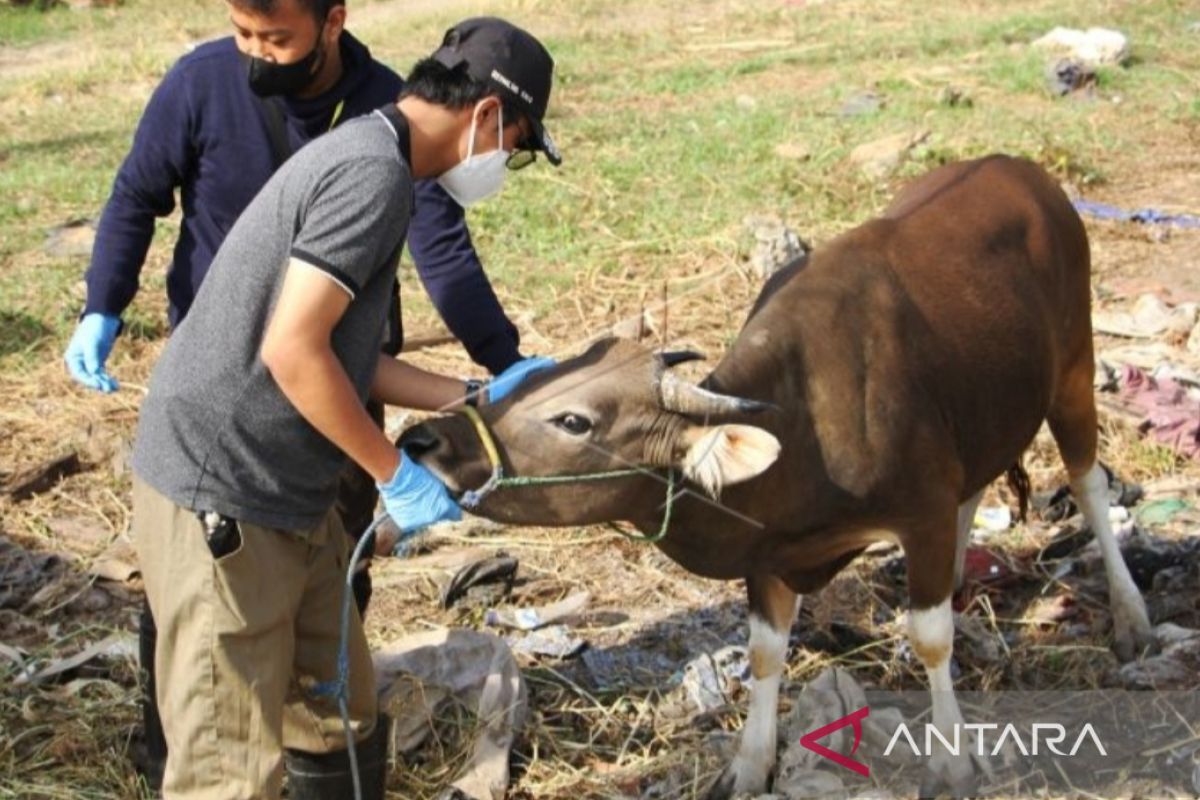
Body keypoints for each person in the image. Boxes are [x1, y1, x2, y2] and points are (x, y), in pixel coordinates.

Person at [60, 0, 550, 789]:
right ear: (488, 115)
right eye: (516, 149)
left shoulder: (378, 151)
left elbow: (348, 353)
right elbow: (292, 352)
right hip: (224, 488)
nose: (505, 165)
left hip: (291, 488)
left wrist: (476, 390)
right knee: (230, 763)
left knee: (337, 708)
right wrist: (392, 470)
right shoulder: (372, 174)